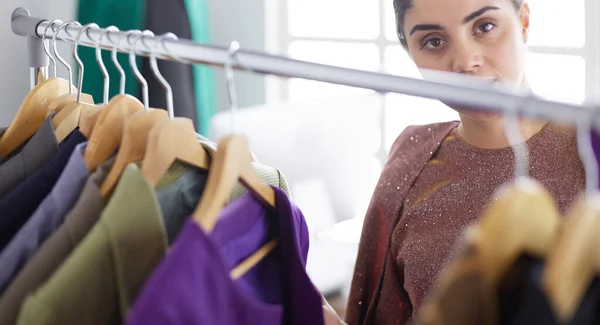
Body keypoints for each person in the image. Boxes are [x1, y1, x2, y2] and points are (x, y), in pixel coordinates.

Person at [322, 0, 586, 324]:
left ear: (523, 22)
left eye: (484, 27)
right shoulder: (410, 159)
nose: (465, 62)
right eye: (433, 41)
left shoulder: (589, 151)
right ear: (410, 53)